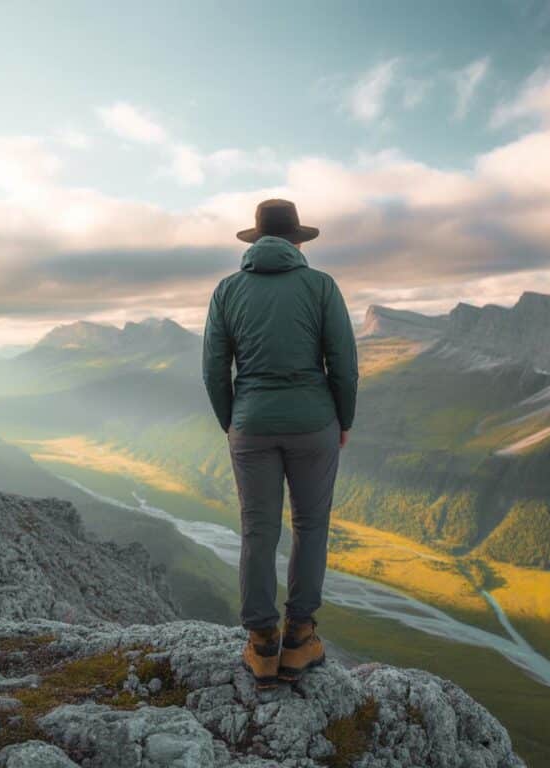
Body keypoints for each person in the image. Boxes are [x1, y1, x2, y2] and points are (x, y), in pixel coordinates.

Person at [202, 198, 359, 689]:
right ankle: (300, 638)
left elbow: (213, 369)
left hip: (250, 425)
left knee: (258, 530)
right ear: (297, 241)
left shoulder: (227, 290)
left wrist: (233, 421)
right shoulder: (321, 286)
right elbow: (343, 363)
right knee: (310, 526)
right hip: (314, 424)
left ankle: (262, 644)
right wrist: (344, 419)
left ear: (255, 241)